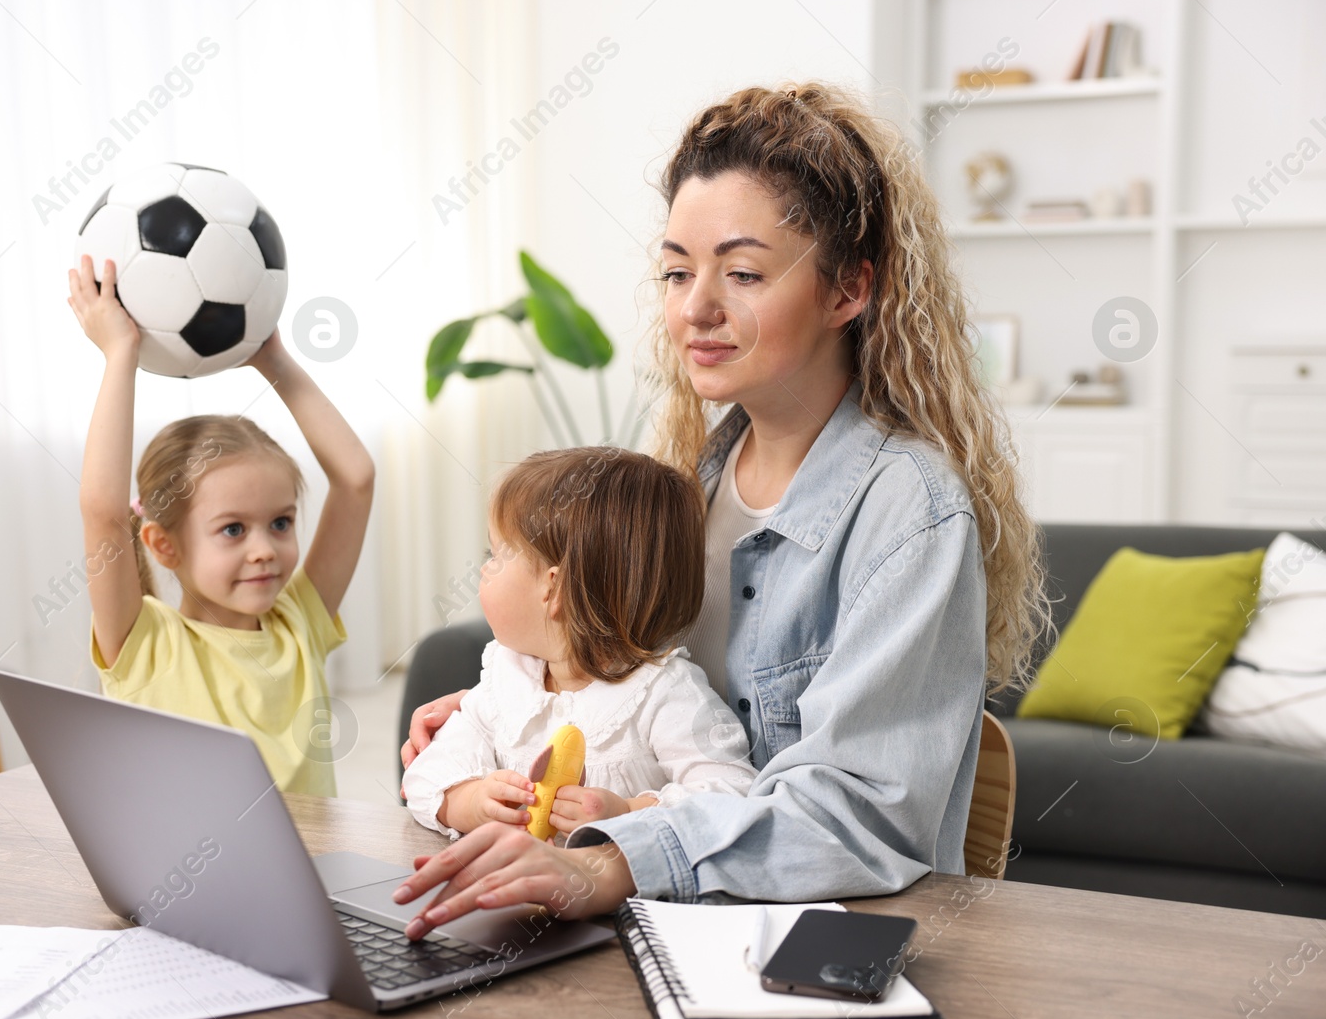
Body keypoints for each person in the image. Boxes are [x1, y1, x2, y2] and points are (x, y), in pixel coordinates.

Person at [393, 81, 1047, 940]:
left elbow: (857, 812)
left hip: (819, 944)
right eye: (676, 270)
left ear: (848, 290)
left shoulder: (911, 513)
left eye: (741, 273)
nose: (694, 308)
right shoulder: (690, 482)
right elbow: (633, 688)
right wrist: (519, 706)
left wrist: (610, 860)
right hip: (664, 923)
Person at [68, 253, 374, 796]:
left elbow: (355, 479)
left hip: (308, 875)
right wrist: (120, 354)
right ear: (164, 545)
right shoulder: (146, 644)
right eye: (234, 530)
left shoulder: (298, 621)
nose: (264, 550)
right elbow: (103, 512)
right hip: (194, 881)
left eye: (280, 522)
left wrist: (275, 361)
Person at [401, 447, 757, 841]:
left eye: (496, 554)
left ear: (555, 590)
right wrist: (469, 802)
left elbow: (734, 793)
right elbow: (423, 775)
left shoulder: (665, 693)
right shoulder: (507, 680)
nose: (484, 568)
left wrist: (629, 812)